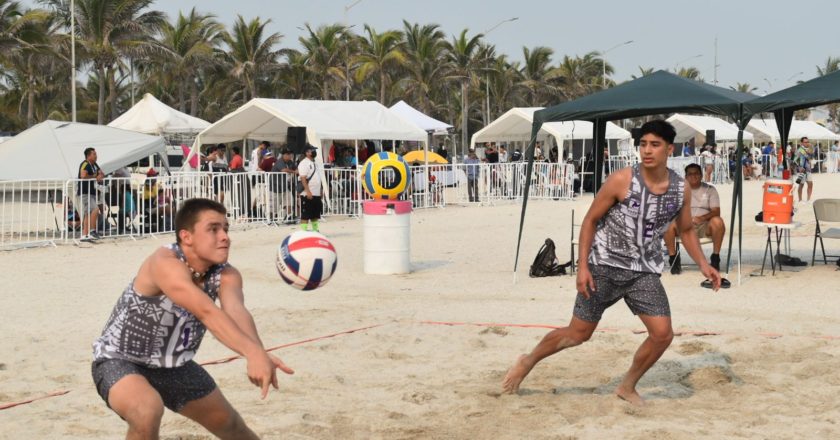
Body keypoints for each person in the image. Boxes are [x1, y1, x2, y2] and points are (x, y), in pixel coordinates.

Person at [502, 120, 721, 405]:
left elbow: (687, 229)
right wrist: (582, 267)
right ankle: (528, 360)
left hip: (643, 271)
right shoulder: (622, 180)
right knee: (578, 334)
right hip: (603, 266)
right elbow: (590, 221)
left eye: (654, 145)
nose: (647, 150)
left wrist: (704, 265)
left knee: (662, 335)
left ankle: (627, 386)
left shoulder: (681, 189)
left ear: (669, 149)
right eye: (643, 144)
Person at [90, 199, 294, 439]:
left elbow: (236, 311)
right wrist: (252, 353)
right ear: (186, 237)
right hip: (121, 359)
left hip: (175, 365)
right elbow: (206, 312)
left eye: (226, 229)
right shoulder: (165, 263)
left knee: (231, 425)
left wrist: (257, 351)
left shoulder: (226, 274)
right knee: (146, 409)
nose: (225, 236)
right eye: (213, 229)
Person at [664, 163, 731, 287]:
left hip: (703, 225)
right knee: (668, 224)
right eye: (690, 174)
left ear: (701, 175)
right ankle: (673, 258)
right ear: (686, 176)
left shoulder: (710, 189)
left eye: (696, 173)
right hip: (684, 224)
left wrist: (701, 218)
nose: (693, 176)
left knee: (718, 221)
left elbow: (716, 211)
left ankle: (715, 257)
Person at [77, 147, 105, 240]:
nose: (96, 156)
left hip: (91, 192)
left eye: (96, 154)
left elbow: (102, 173)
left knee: (87, 213)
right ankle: (92, 231)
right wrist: (94, 176)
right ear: (88, 156)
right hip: (85, 192)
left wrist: (100, 175)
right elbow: (83, 175)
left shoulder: (95, 165)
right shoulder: (85, 163)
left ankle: (85, 235)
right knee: (95, 209)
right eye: (94, 154)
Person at [298, 145, 322, 231]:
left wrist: (320, 191)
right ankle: (303, 231)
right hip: (307, 193)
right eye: (312, 150)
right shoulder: (304, 163)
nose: (314, 152)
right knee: (306, 214)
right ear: (307, 153)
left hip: (316, 192)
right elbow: (303, 178)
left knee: (315, 214)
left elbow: (318, 178)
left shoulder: (314, 163)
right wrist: (308, 191)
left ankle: (315, 230)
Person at [794, 137, 814, 202]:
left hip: (808, 170)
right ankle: (800, 200)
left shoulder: (809, 150)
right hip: (802, 170)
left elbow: (811, 156)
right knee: (801, 185)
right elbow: (795, 160)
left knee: (810, 184)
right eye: (805, 142)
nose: (807, 143)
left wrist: (810, 147)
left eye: (808, 142)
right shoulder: (799, 150)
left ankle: (808, 199)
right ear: (802, 143)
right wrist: (799, 167)